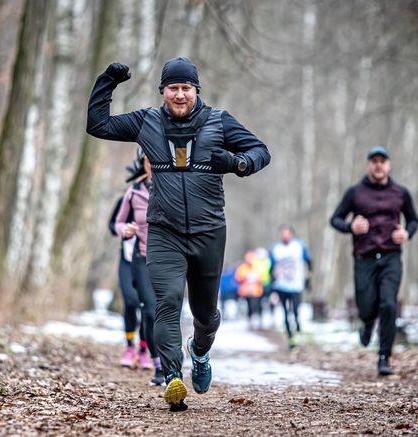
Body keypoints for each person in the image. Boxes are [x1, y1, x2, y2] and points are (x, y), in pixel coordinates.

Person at [86, 57, 271, 411]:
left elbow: (261, 152)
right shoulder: (147, 121)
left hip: (208, 232)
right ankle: (173, 377)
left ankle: (199, 352)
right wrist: (108, 81)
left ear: (196, 90)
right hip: (164, 231)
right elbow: (98, 125)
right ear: (163, 91)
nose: (180, 95)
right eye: (173, 88)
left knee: (205, 315)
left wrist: (236, 163)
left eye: (186, 88)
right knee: (166, 303)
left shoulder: (219, 121)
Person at [330, 146, 418, 376]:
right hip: (364, 257)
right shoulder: (355, 193)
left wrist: (407, 233)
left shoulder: (401, 193)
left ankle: (384, 358)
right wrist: (351, 226)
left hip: (391, 256)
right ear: (368, 165)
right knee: (367, 305)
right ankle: (367, 322)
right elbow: (335, 219)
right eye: (374, 161)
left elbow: (413, 220)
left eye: (382, 161)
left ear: (388, 165)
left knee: (389, 305)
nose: (378, 165)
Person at [114, 148, 164, 386]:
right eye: (148, 161)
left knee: (167, 310)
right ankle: (157, 364)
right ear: (143, 163)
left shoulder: (173, 188)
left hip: (169, 259)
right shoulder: (134, 192)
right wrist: (125, 230)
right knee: (149, 310)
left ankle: (170, 358)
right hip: (142, 257)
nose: (152, 165)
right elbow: (118, 222)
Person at [109, 158, 151, 371]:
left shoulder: (162, 194)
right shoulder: (130, 194)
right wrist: (125, 229)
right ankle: (129, 346)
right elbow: (112, 224)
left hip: (149, 257)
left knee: (146, 305)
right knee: (130, 300)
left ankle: (144, 350)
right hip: (127, 257)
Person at [269, 225, 312, 349]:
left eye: (287, 233)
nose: (285, 236)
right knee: (285, 312)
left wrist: (308, 278)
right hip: (281, 285)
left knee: (295, 310)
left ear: (292, 234)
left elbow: (309, 262)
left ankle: (298, 323)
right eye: (283, 233)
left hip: (296, 285)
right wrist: (272, 286)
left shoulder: (299, 246)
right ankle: (291, 338)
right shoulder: (275, 248)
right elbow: (271, 267)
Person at [235, 250, 264, 330]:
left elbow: (262, 278)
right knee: (249, 307)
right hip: (246, 292)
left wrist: (256, 279)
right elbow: (237, 278)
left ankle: (257, 321)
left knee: (256, 306)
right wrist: (245, 277)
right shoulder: (242, 268)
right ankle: (250, 322)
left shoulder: (258, 267)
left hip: (256, 292)